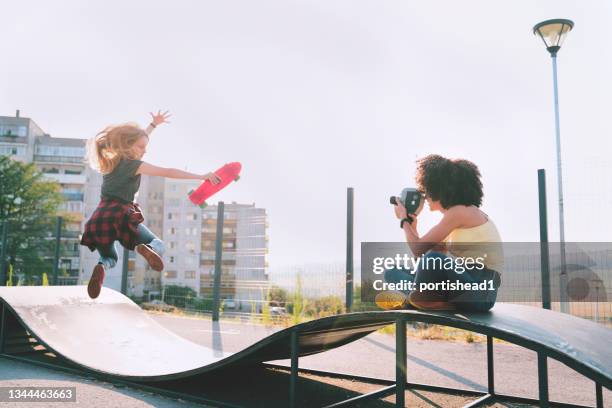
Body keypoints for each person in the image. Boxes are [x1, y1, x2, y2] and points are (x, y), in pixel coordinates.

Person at [80, 111, 221, 299]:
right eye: (141, 148)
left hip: (100, 218)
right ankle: (142, 248)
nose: (144, 151)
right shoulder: (134, 164)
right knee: (158, 245)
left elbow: (138, 140)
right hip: (122, 215)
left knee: (109, 258)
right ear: (128, 145)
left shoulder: (111, 162)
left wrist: (152, 125)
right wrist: (201, 176)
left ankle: (100, 268)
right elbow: (168, 171)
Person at [376, 154, 503, 312]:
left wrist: (404, 219)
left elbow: (421, 251)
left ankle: (414, 300)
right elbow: (422, 263)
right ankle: (424, 301)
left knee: (434, 258)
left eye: (427, 190)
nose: (426, 196)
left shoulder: (461, 212)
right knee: (393, 272)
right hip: (462, 289)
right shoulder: (455, 221)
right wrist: (413, 227)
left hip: (480, 292)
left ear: (440, 189)